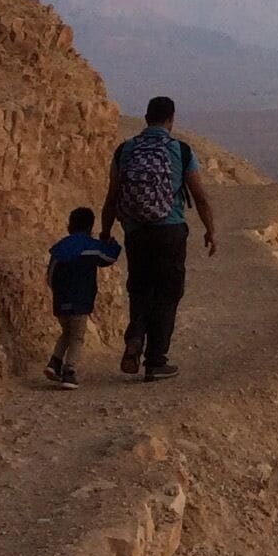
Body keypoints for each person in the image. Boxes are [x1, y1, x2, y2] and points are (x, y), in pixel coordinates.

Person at [103, 95, 217, 382]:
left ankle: (135, 338)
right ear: (171, 120)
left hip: (136, 231)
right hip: (170, 231)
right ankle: (156, 361)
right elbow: (200, 197)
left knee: (140, 287)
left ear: (145, 118)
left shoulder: (125, 150)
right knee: (167, 293)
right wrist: (210, 230)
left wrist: (105, 232)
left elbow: (112, 197)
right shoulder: (180, 150)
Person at [43, 206, 121, 388]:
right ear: (90, 227)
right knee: (77, 336)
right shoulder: (90, 247)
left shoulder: (60, 247)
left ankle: (54, 362)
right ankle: (69, 371)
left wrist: (56, 290)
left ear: (70, 225)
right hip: (81, 299)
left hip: (61, 299)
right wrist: (110, 242)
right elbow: (109, 257)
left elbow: (50, 275)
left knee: (67, 332)